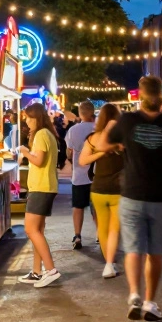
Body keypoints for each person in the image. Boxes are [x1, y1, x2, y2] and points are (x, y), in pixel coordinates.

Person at [107, 76, 162, 322]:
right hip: (161, 196)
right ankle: (149, 303)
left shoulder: (128, 121)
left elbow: (103, 142)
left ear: (140, 97)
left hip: (132, 194)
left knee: (134, 249)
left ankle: (134, 294)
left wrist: (121, 144)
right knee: (155, 252)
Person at [19, 103, 62, 288]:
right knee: (38, 230)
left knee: (30, 229)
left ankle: (50, 270)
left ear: (37, 117)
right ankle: (37, 272)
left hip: (41, 187)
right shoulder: (47, 134)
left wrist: (25, 152)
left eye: (29, 118)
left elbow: (39, 160)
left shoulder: (42, 134)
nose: (27, 121)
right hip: (44, 186)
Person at [80, 103, 125, 278]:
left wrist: (99, 152)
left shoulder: (93, 138)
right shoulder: (123, 139)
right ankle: (109, 264)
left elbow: (83, 161)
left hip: (98, 188)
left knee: (103, 228)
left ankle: (109, 263)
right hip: (119, 190)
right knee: (114, 229)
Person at [65, 101, 97, 250]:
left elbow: (69, 152)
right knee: (96, 206)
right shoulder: (98, 129)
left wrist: (71, 158)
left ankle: (77, 235)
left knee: (77, 206)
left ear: (80, 113)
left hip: (78, 175)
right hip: (96, 174)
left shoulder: (73, 130)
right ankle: (99, 234)